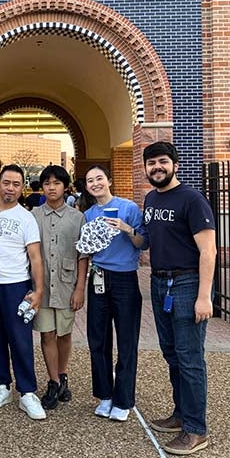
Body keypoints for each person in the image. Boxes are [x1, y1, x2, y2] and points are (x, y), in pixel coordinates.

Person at [143, 141, 216, 456]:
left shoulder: (192, 199)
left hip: (186, 284)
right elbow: (147, 240)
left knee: (189, 359)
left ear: (175, 165)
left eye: (162, 162)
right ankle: (180, 414)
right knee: (172, 355)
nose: (157, 167)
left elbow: (208, 251)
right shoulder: (150, 198)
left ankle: (196, 429)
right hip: (159, 284)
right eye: (151, 163)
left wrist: (204, 297)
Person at [0, 164, 46, 420]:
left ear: (22, 187)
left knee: (20, 339)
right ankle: (2, 385)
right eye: (6, 182)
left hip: (16, 285)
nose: (11, 188)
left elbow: (36, 258)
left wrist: (38, 291)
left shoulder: (26, 218)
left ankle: (27, 391)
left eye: (16, 184)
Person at [82, 165, 147, 422]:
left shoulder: (129, 208)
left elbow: (144, 243)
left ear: (109, 180)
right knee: (97, 338)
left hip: (125, 279)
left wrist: (126, 228)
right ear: (86, 187)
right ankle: (105, 395)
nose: (95, 183)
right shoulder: (87, 214)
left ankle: (123, 399)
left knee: (127, 340)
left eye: (99, 178)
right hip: (98, 277)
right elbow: (85, 249)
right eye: (90, 181)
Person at [32, 165, 87, 410]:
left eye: (56, 183)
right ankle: (53, 381)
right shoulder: (33, 215)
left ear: (66, 187)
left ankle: (63, 375)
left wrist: (80, 288)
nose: (51, 187)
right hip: (41, 285)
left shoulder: (77, 217)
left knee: (64, 333)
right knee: (46, 333)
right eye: (47, 183)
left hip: (66, 284)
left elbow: (82, 255)